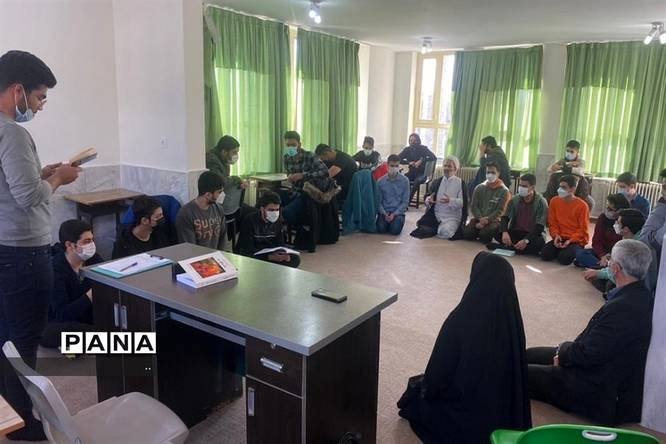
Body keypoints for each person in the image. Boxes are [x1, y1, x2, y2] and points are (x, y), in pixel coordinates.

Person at [0, 50, 82, 441]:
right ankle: (26, 425)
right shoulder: (13, 132)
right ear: (17, 91)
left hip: (3, 249)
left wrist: (44, 171)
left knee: (6, 339)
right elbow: (29, 196)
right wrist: (60, 178)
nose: (39, 106)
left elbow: (11, 186)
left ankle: (11, 414)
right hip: (24, 256)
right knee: (25, 344)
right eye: (38, 97)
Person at [398, 252, 532, 444]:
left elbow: (437, 374)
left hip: (465, 417)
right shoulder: (513, 322)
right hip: (506, 415)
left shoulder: (459, 320)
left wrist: (426, 390)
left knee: (414, 395)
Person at [528, 239, 654, 425]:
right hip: (597, 365)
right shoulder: (638, 295)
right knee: (529, 354)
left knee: (518, 374)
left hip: (598, 388)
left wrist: (564, 355)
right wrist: (564, 350)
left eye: (610, 260)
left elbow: (590, 354)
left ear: (615, 268)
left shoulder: (623, 308)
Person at [41, 220, 103, 349]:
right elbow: (62, 314)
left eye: (92, 240)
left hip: (88, 316)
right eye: (86, 241)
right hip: (61, 322)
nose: (92, 245)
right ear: (69, 245)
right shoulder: (55, 270)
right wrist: (90, 296)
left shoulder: (94, 259)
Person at [205, 135, 254, 249]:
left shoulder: (223, 160)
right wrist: (237, 180)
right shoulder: (211, 160)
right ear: (224, 151)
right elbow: (220, 182)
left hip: (227, 204)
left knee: (253, 214)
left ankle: (241, 248)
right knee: (249, 215)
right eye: (234, 152)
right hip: (217, 205)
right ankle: (240, 249)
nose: (236, 155)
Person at [583, 209, 646, 296]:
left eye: (618, 223)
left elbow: (624, 273)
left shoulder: (634, 247)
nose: (615, 224)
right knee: (596, 272)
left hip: (630, 280)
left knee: (608, 283)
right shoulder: (629, 237)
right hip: (617, 268)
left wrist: (599, 273)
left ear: (626, 229)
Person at [280, 130, 331, 227]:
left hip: (308, 194)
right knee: (270, 198)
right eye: (288, 145)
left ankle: (303, 228)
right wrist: (289, 177)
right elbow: (289, 173)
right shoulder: (286, 158)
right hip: (294, 191)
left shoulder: (309, 156)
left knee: (287, 213)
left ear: (299, 144)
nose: (290, 148)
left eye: (293, 145)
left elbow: (325, 172)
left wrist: (303, 175)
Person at [489, 174, 548, 255]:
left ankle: (508, 247)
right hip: (516, 231)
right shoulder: (515, 199)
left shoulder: (541, 202)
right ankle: (517, 248)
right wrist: (505, 232)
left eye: (524, 186)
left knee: (539, 243)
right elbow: (505, 217)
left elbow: (539, 227)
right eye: (520, 185)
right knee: (496, 230)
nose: (521, 188)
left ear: (532, 187)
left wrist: (526, 240)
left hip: (532, 234)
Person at [238, 191, 300, 268]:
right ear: (262, 209)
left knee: (295, 259)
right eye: (271, 210)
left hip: (269, 251)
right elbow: (247, 249)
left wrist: (283, 254)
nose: (275, 213)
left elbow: (280, 244)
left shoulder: (278, 221)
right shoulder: (250, 220)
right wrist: (270, 257)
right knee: (250, 259)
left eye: (277, 210)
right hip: (254, 253)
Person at [541, 175, 590, 265]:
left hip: (576, 240)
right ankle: (561, 249)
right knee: (545, 254)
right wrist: (556, 236)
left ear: (573, 189)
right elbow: (552, 223)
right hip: (560, 237)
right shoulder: (554, 201)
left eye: (564, 187)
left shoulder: (582, 206)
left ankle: (567, 251)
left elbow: (583, 230)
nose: (559, 190)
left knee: (564, 259)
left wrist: (570, 240)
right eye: (559, 186)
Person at [573, 193, 629, 269]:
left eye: (611, 209)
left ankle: (602, 267)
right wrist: (602, 255)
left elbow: (625, 246)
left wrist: (610, 256)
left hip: (618, 254)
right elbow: (596, 241)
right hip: (602, 251)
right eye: (607, 207)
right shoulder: (603, 217)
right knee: (580, 253)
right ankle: (606, 267)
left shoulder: (626, 222)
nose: (608, 210)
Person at [175, 172, 226, 250]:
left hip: (216, 256)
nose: (221, 195)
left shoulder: (219, 209)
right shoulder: (185, 214)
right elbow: (189, 248)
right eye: (219, 192)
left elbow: (222, 239)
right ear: (208, 195)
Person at [463, 162, 511, 244]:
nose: (490, 175)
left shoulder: (504, 191)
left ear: (498, 173)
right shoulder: (479, 188)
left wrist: (487, 220)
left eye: (493, 172)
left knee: (484, 236)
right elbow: (474, 206)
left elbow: (501, 211)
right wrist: (480, 219)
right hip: (479, 218)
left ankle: (481, 231)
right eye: (488, 172)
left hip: (494, 221)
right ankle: (478, 230)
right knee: (467, 234)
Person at [425, 155, 465, 239]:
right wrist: (429, 199)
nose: (446, 168)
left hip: (452, 217)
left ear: (455, 168)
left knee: (445, 232)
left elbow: (462, 203)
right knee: (424, 228)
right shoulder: (437, 182)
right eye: (445, 166)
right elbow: (428, 195)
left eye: (449, 166)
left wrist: (450, 200)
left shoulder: (460, 183)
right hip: (436, 214)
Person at [544, 140, 590, 205]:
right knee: (553, 177)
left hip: (575, 184)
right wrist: (555, 167)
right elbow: (549, 170)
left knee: (584, 183)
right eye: (567, 151)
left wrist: (570, 169)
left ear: (577, 152)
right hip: (561, 182)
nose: (569, 153)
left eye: (572, 151)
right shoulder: (562, 160)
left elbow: (581, 171)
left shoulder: (580, 161)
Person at [376, 154, 410, 235]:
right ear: (387, 165)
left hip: (398, 212)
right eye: (392, 165)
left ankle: (396, 221)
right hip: (385, 211)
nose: (394, 168)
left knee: (395, 230)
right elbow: (378, 201)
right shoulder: (380, 181)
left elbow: (405, 202)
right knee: (380, 229)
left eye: (396, 166)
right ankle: (387, 222)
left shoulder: (405, 181)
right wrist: (384, 213)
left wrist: (394, 214)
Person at [398, 133, 437, 202]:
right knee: (402, 179)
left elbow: (434, 157)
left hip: (422, 174)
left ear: (418, 140)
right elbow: (397, 159)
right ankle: (401, 199)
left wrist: (422, 160)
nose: (412, 142)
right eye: (411, 140)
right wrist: (409, 162)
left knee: (417, 181)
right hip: (411, 173)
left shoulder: (423, 148)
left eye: (414, 140)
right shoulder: (407, 149)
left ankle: (407, 201)